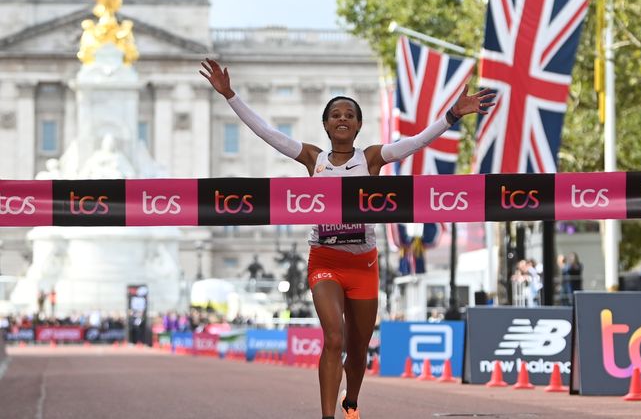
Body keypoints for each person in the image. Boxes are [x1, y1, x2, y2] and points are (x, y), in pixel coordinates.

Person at [201, 58, 493, 419]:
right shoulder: (313, 158)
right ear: (325, 124)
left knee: (358, 349)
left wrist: (452, 115)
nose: (342, 118)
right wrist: (230, 95)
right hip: (324, 259)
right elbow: (268, 134)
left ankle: (351, 402)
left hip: (364, 262)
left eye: (349, 115)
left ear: (358, 125)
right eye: (335, 114)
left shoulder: (371, 159)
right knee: (334, 338)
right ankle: (327, 416)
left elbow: (416, 143)